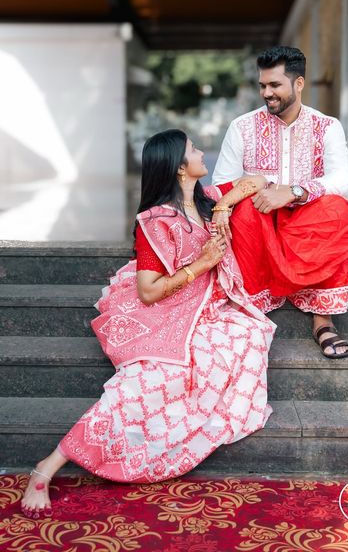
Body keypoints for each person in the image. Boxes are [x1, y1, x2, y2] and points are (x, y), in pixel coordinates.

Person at [20, 129, 276, 519]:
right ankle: (47, 466)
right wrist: (203, 264)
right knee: (150, 378)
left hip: (207, 306)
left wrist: (224, 205)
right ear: (179, 168)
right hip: (165, 307)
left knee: (247, 334)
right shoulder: (156, 222)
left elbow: (258, 180)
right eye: (194, 150)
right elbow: (149, 292)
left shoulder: (206, 200)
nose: (202, 152)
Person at [212, 46, 348, 359]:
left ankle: (322, 317)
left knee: (339, 211)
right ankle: (254, 307)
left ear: (298, 84)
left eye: (274, 85)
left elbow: (342, 179)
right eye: (262, 85)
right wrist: (258, 189)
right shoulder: (242, 127)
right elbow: (221, 184)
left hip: (305, 224)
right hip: (260, 224)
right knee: (240, 210)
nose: (266, 93)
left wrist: (294, 191)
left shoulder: (327, 127)